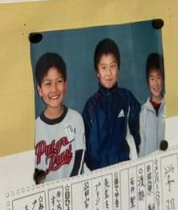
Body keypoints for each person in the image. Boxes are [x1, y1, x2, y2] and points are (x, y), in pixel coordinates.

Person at [82, 38, 141, 170]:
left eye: (112, 66)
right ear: (97, 72)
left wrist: (130, 158)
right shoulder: (90, 106)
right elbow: (84, 145)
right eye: (103, 67)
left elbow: (139, 132)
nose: (108, 73)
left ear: (118, 68)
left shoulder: (127, 99)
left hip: (125, 169)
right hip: (98, 175)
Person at [33, 52, 85, 180]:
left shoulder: (75, 119)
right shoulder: (34, 128)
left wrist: (70, 187)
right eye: (48, 84)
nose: (54, 89)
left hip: (71, 190)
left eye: (59, 81)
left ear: (65, 85)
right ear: (39, 89)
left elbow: (79, 158)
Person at [140, 52, 165, 157]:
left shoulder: (169, 106)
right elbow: (141, 146)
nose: (155, 83)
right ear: (148, 81)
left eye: (158, 77)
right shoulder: (143, 112)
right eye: (152, 78)